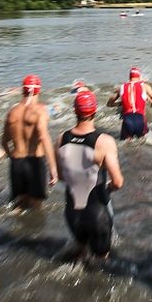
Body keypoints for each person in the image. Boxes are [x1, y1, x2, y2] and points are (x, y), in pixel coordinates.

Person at [56, 91, 123, 260]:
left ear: (74, 111)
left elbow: (60, 175)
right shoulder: (104, 141)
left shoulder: (61, 138)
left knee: (80, 254)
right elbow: (118, 181)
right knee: (102, 265)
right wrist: (109, 188)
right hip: (97, 212)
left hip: (72, 213)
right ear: (95, 112)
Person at [4, 75, 58, 209]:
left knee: (20, 203)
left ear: (23, 90)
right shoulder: (40, 110)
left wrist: (11, 156)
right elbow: (44, 137)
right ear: (38, 90)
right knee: (36, 205)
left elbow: (4, 141)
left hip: (16, 163)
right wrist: (53, 168)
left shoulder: (12, 112)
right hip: (34, 162)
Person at [107, 67, 152, 140]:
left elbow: (109, 104)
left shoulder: (121, 87)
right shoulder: (144, 86)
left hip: (127, 121)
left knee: (125, 146)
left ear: (129, 77)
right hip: (140, 120)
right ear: (139, 77)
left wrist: (120, 103)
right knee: (142, 145)